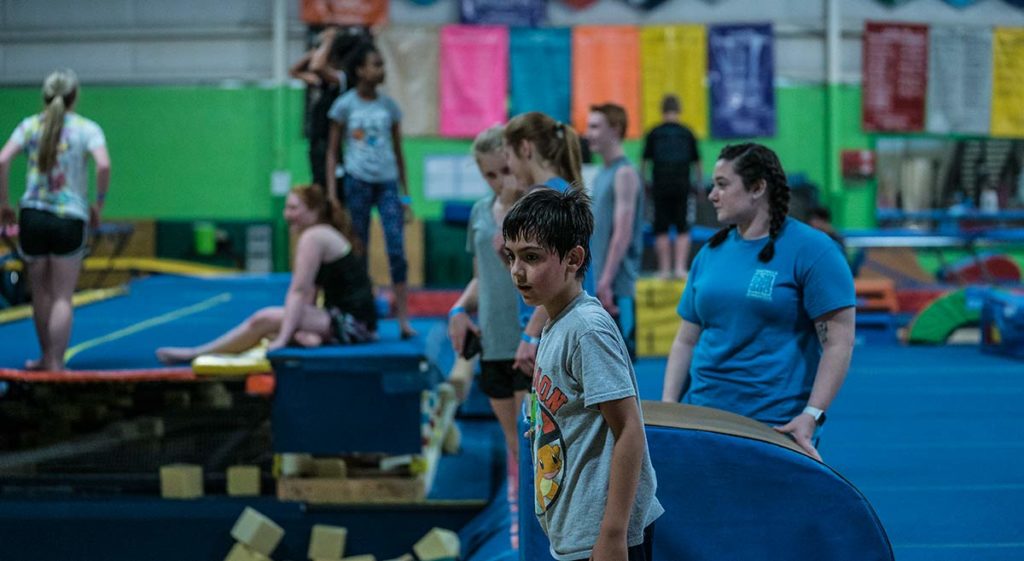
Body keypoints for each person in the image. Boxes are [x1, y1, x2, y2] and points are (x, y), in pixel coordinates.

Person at [661, 143, 855, 461]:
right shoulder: (711, 252)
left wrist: (812, 415)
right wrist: (670, 407)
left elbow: (839, 343)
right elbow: (685, 340)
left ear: (757, 188)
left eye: (723, 185)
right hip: (702, 419)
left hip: (774, 426)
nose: (712, 195)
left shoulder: (814, 251)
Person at [503, 188, 662, 561]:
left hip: (601, 534)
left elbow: (629, 430)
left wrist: (613, 534)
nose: (516, 272)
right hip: (574, 521)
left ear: (573, 258)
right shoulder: (554, 321)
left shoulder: (586, 330)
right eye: (510, 257)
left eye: (531, 257)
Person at [156, 185, 376, 363]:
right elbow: (310, 292)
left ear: (315, 211)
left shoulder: (313, 237)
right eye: (286, 208)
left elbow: (298, 291)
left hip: (352, 324)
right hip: (359, 323)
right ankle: (308, 337)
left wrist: (283, 338)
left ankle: (197, 353)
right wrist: (293, 328)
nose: (286, 214)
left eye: (293, 208)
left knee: (263, 319)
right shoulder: (323, 234)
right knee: (277, 323)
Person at [0, 69, 110, 372]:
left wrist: (4, 204)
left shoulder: (30, 126)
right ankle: (56, 362)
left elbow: (2, 159)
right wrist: (98, 205)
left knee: (41, 293)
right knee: (62, 295)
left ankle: (45, 356)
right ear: (75, 96)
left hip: (33, 215)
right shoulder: (86, 129)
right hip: (68, 218)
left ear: (45, 96)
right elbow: (103, 165)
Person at [324, 42, 415, 339]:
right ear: (360, 70)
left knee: (396, 250)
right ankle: (366, 320)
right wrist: (332, 194)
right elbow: (332, 152)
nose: (382, 69)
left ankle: (403, 318)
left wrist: (406, 196)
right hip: (357, 180)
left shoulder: (389, 106)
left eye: (382, 64)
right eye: (376, 64)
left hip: (387, 183)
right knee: (358, 250)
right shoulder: (345, 105)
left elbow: (399, 153)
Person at [447, 126, 527, 460]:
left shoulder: (534, 208)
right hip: (494, 339)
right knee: (513, 444)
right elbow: (482, 276)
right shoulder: (480, 211)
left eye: (505, 171)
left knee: (534, 444)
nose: (499, 182)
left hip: (527, 339)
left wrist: (510, 205)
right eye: (489, 175)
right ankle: (520, 509)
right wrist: (459, 309)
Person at [501, 112, 585, 377]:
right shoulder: (561, 190)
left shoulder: (544, 197)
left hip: (553, 327)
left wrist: (530, 336)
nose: (510, 168)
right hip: (559, 326)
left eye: (509, 157)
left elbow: (551, 272)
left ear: (525, 148)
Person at [586, 103, 644, 360]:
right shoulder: (601, 174)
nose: (588, 133)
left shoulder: (625, 173)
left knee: (621, 365)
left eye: (595, 127)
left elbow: (623, 233)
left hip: (617, 288)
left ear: (615, 129)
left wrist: (606, 280)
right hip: (599, 282)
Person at [289, 26, 371, 200]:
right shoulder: (325, 84)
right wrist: (316, 50)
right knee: (319, 186)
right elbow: (294, 71)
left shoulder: (345, 79)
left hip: (331, 146)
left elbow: (317, 66)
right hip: (317, 144)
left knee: (331, 190)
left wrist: (328, 41)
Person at [640, 94, 702, 279]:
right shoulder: (687, 132)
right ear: (679, 110)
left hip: (660, 185)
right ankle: (680, 268)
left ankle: (665, 270)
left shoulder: (654, 132)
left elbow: (643, 162)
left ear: (662, 110)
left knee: (661, 227)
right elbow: (697, 162)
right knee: (683, 226)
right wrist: (698, 185)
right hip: (682, 185)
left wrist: (644, 184)